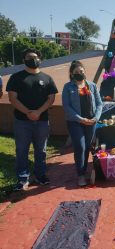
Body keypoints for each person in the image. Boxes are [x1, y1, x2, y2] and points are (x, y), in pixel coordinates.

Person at [6, 48, 58, 191]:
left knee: (41, 150)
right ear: (24, 60)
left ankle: (40, 175)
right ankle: (23, 179)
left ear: (40, 59)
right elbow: (12, 98)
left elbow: (51, 98)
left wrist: (38, 112)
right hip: (22, 121)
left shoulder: (47, 78)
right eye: (29, 57)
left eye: (35, 57)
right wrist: (28, 112)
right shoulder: (16, 77)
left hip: (42, 121)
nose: (33, 59)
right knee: (22, 149)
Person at [62, 61, 103, 186]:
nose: (80, 74)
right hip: (75, 122)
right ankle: (80, 174)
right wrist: (80, 119)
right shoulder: (68, 87)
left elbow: (99, 103)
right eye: (76, 72)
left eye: (81, 71)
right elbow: (67, 106)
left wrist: (95, 118)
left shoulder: (92, 86)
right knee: (80, 147)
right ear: (71, 74)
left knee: (87, 146)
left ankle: (84, 170)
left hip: (91, 121)